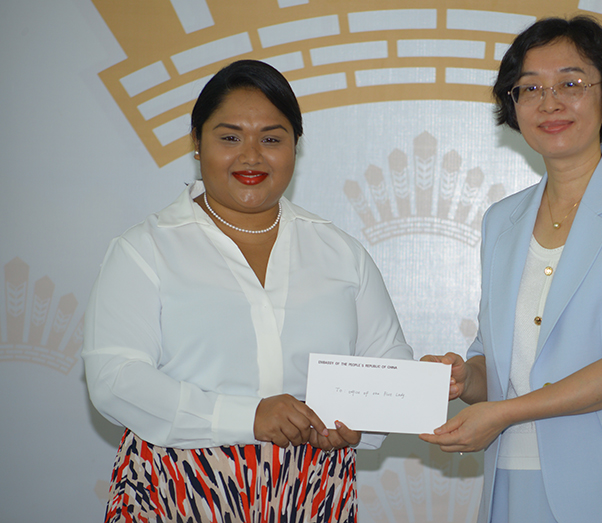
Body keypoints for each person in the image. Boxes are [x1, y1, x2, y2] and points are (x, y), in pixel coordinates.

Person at [82, 59, 413, 522]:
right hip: (179, 489)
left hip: (313, 491)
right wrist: (248, 417)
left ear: (296, 146)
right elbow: (114, 379)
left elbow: (389, 363)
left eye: (272, 139)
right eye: (230, 137)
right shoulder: (145, 249)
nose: (252, 156)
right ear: (197, 142)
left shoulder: (340, 252)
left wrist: (358, 421)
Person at [420, 16, 602, 523]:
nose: (549, 102)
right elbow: (496, 363)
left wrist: (502, 413)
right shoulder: (501, 220)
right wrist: (467, 379)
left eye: (571, 83)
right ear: (512, 106)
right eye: (529, 88)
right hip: (512, 479)